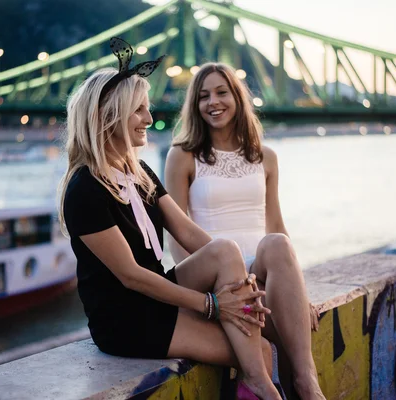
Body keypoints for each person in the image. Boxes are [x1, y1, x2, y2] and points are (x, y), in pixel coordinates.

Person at [59, 38, 282, 400]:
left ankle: (256, 384)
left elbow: (189, 233)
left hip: (158, 299)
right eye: (139, 111)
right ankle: (260, 387)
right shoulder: (84, 189)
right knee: (259, 351)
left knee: (225, 249)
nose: (149, 118)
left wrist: (245, 283)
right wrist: (212, 306)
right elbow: (131, 277)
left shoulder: (139, 171)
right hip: (126, 320)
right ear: (106, 116)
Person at [165, 62, 325, 399]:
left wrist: (300, 291)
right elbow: (176, 233)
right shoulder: (183, 156)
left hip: (258, 272)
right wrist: (205, 297)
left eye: (222, 92)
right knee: (261, 296)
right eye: (204, 96)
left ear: (238, 98)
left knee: (278, 243)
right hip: (215, 272)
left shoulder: (265, 157)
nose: (213, 102)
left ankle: (306, 381)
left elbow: (276, 224)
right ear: (195, 105)